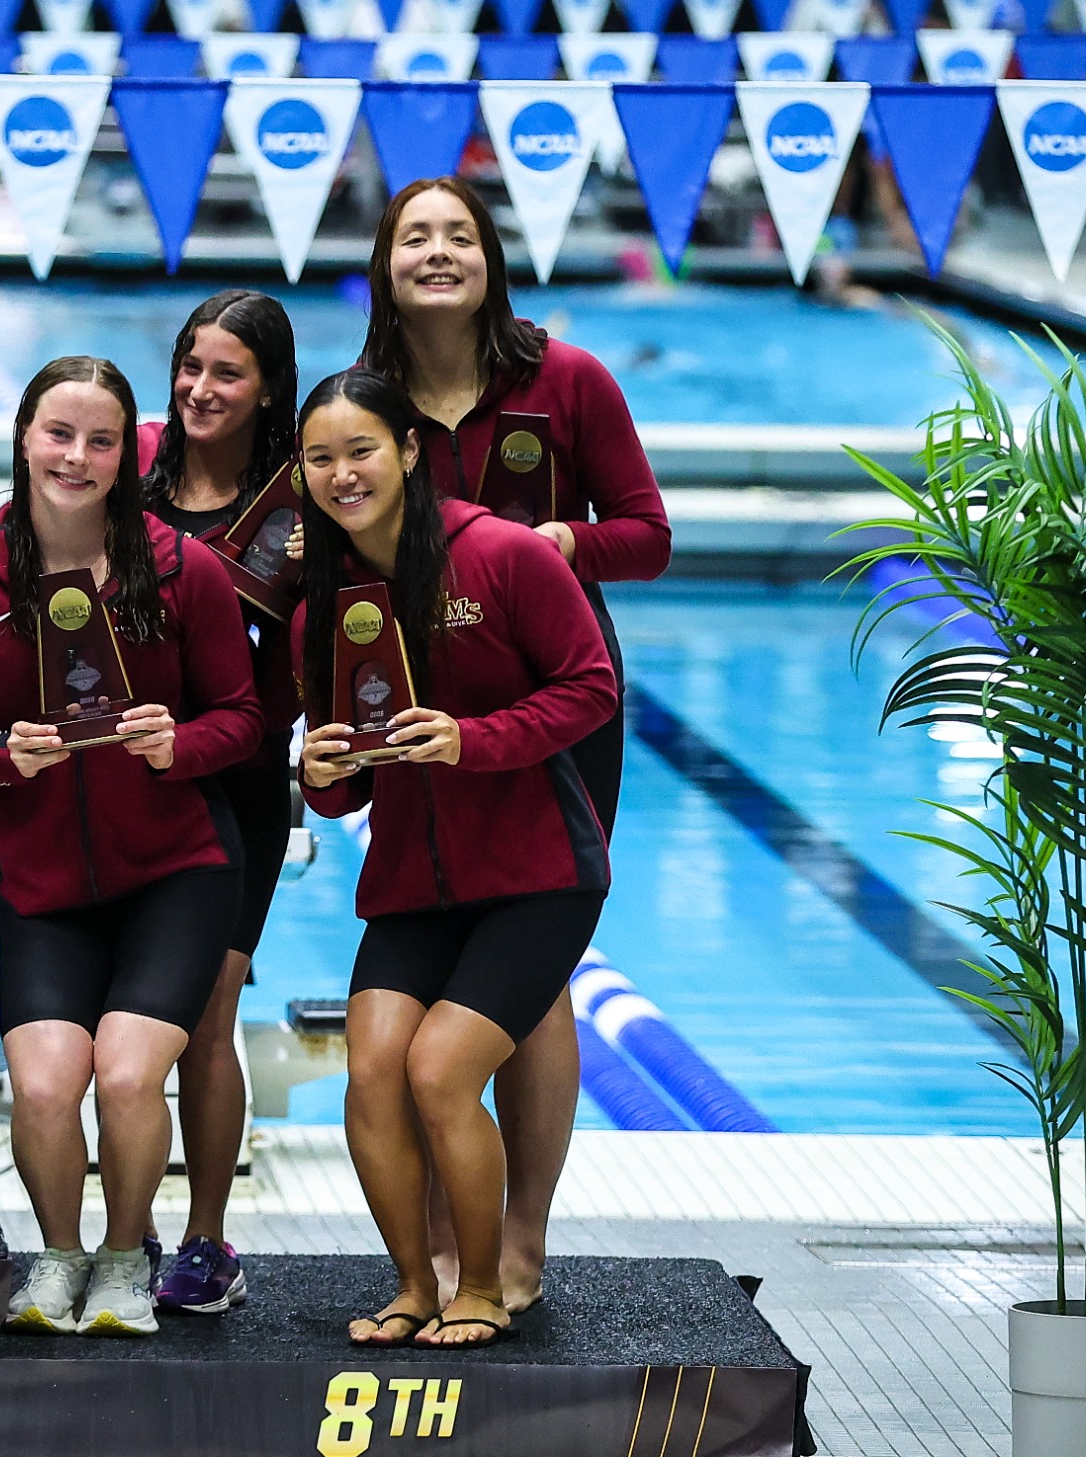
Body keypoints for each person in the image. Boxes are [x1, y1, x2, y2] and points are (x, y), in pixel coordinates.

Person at [361, 177, 670, 1311]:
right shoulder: (368, 398)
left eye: (457, 235)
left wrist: (562, 543)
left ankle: (519, 1236)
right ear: (383, 264)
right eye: (413, 237)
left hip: (557, 709)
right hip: (417, 723)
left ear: (489, 257)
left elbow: (647, 535)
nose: (436, 253)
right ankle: (447, 1240)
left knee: (529, 979)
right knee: (447, 952)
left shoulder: (566, 382)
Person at [0, 357, 261, 1336]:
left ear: (127, 455)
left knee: (125, 1071)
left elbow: (242, 716)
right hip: (45, 879)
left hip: (175, 867)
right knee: (46, 1081)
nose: (75, 455)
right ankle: (58, 1254)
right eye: (57, 433)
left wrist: (175, 742)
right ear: (22, 437)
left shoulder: (181, 569)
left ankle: (121, 1255)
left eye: (99, 439)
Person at [292, 368, 617, 1347]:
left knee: (439, 1069)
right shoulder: (327, 607)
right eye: (318, 458)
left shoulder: (504, 557)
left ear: (402, 449)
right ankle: (411, 1283)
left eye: (359, 449)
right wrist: (316, 768)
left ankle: (480, 1283)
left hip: (536, 873)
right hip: (409, 884)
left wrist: (475, 738)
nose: (341, 473)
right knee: (373, 1068)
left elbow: (588, 685)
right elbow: (344, 785)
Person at [137, 290, 299, 1315]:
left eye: (225, 371)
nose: (200, 387)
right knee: (129, 1016)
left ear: (267, 388)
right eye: (190, 364)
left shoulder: (298, 505)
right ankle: (125, 1231)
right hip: (130, 777)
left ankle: (203, 1237)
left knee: (207, 1013)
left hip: (237, 782)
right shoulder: (134, 471)